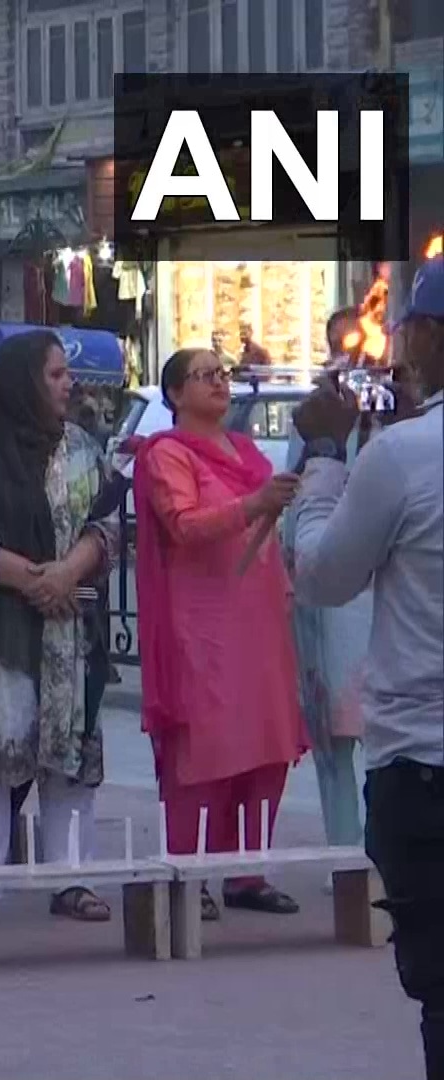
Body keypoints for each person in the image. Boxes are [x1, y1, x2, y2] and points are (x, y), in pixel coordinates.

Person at [289, 254, 444, 1079]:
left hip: (425, 766)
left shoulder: (404, 458)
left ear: (419, 337)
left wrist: (323, 457)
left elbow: (321, 573)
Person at [0, 331, 118, 926]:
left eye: (67, 374)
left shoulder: (83, 447)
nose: (70, 385)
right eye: (56, 374)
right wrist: (38, 579)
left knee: (68, 757)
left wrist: (68, 574)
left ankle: (71, 879)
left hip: (71, 623)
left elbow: (107, 523)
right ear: (22, 383)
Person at [132, 348, 306, 921]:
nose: (218, 384)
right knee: (206, 749)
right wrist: (253, 503)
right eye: (204, 376)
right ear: (175, 393)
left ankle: (246, 872)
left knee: (267, 744)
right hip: (201, 624)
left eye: (222, 374)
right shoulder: (167, 455)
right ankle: (188, 872)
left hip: (258, 620)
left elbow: (267, 527)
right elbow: (182, 526)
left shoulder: (249, 451)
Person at [278, 307, 376, 848]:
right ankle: (345, 857)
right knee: (334, 744)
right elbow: (300, 500)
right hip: (331, 598)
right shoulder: (312, 418)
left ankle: (386, 850)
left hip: (383, 598)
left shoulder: (398, 417)